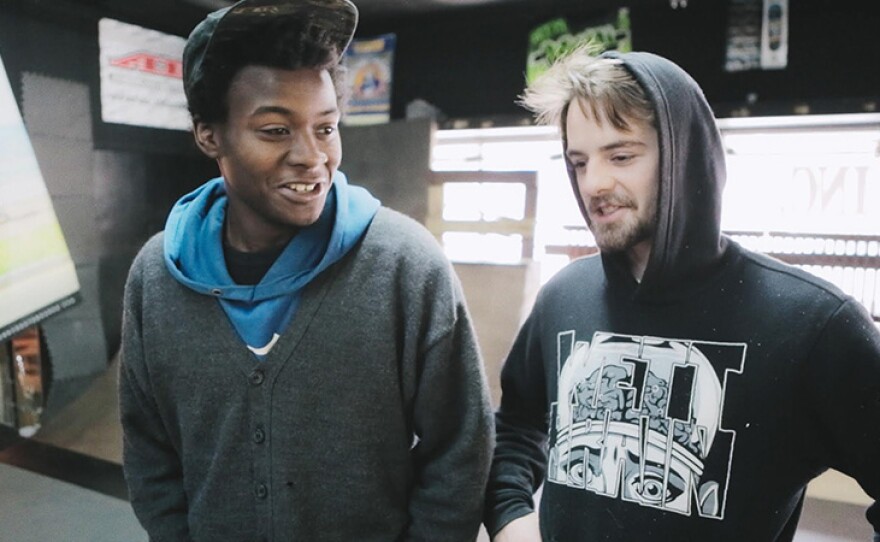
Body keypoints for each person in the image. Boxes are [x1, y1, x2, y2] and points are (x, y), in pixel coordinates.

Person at [118, 1, 493, 540]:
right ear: (209, 135)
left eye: (326, 128)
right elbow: (148, 449)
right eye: (275, 130)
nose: (312, 156)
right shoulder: (155, 278)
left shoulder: (405, 266)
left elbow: (461, 450)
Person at [484, 46, 880, 541]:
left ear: (682, 155)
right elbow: (515, 428)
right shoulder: (563, 297)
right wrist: (510, 519)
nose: (594, 183)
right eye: (579, 162)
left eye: (621, 155)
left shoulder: (811, 322)